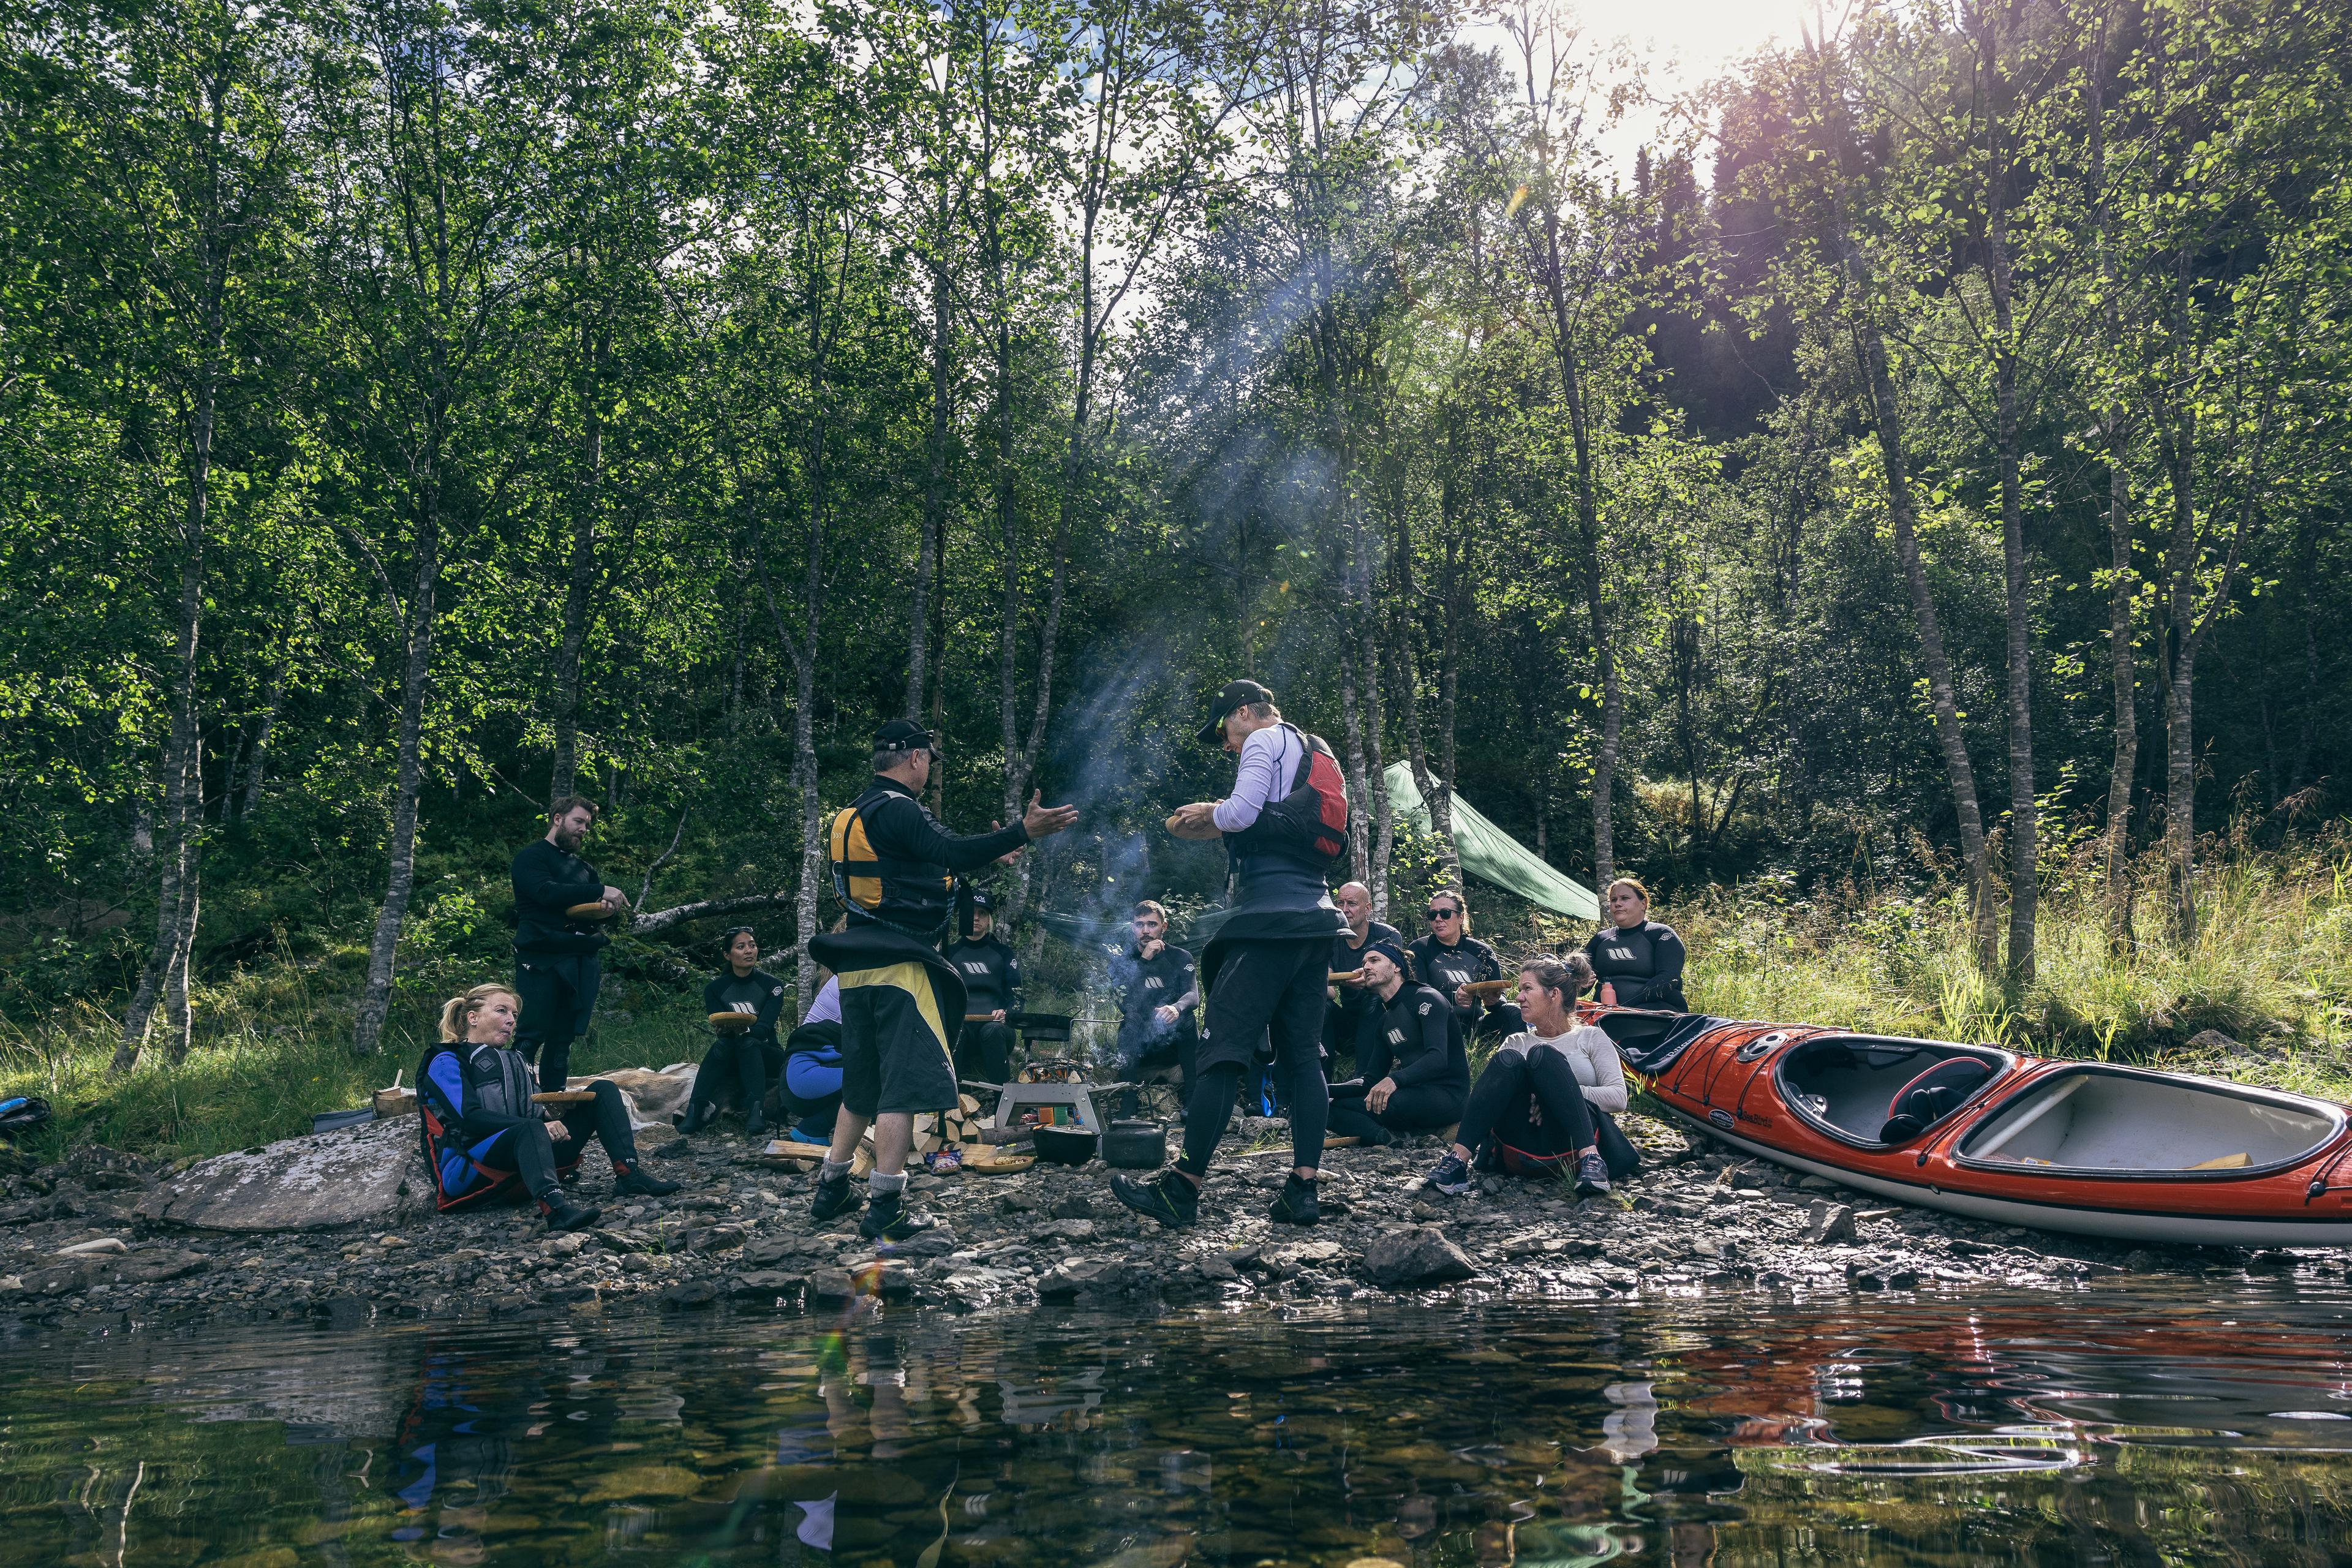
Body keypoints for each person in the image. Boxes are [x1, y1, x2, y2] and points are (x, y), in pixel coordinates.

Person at [807, 720, 1077, 1241]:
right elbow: (949, 850)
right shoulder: (900, 808)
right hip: (900, 971)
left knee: (860, 1087)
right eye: (929, 758)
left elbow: (924, 865)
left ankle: (831, 1187)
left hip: (855, 970)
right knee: (898, 1091)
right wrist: (1022, 831)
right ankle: (886, 1204)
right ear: (914, 759)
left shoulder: (852, 813)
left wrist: (993, 853)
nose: (929, 769)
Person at [1112, 679, 1349, 1229]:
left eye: (1224, 729)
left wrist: (1207, 810)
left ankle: (1183, 1189)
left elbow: (1241, 814)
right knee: (1304, 1057)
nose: (1225, 744)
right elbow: (1273, 823)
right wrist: (1212, 820)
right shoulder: (1315, 749)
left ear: (1246, 712)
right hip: (1316, 921)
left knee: (1222, 1051)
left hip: (1268, 922)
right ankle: (1302, 1191)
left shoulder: (1264, 739)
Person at [421, 982, 677, 1232]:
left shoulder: (516, 1059)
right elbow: (469, 1119)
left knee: (603, 1090)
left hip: (529, 1153)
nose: (511, 1020)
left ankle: (630, 1175)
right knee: (532, 1129)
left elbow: (534, 1111)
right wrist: (537, 1126)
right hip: (473, 1169)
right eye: (502, 1011)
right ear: (473, 1017)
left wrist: (552, 1113)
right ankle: (556, 1211)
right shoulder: (446, 1060)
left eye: (514, 1014)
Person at [1422, 954, 1634, 1199]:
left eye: (1527, 989)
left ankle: (1592, 1161)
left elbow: (1618, 1097)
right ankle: (1457, 1162)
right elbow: (1491, 1096)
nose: (1518, 997)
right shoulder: (1517, 1041)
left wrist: (1556, 1095)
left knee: (1544, 1055)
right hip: (1521, 1139)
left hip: (1570, 1139)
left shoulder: (1591, 1038)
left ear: (1554, 994)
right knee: (1508, 1059)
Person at [511, 795, 627, 1095]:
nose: (584, 829)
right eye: (579, 821)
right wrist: (601, 889)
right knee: (531, 1033)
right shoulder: (531, 858)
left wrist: (608, 911)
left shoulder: (585, 869)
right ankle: (515, 1098)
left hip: (580, 957)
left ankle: (555, 1099)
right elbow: (546, 893)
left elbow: (593, 915)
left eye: (588, 825)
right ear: (558, 819)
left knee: (563, 1038)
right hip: (541, 956)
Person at [1325, 940, 1468, 1147]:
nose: (1366, 967)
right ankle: (1385, 1139)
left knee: (1389, 1104)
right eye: (1364, 962)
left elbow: (1437, 1059)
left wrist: (1395, 1080)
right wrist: (1323, 1089)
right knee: (1331, 1106)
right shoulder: (1385, 1021)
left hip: (1448, 1095)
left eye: (1374, 960)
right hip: (1411, 1093)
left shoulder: (1427, 998)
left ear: (1396, 967)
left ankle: (1401, 1132)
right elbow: (1370, 1080)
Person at [679, 927, 787, 1139]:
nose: (749, 951)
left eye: (752, 945)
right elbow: (722, 1031)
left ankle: (757, 1112)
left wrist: (744, 1030)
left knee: (748, 1043)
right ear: (727, 955)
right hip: (733, 1053)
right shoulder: (715, 990)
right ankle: (695, 1110)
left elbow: (763, 1029)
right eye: (741, 947)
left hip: (768, 1053)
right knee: (723, 1045)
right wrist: (726, 1032)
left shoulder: (773, 986)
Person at [1108, 900, 1199, 1110]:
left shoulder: (1180, 957)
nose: (1146, 931)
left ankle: (1193, 1101)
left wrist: (1176, 1008)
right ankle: (1129, 1100)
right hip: (1141, 1045)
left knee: (1186, 1020)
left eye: (1152, 924)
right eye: (1140, 925)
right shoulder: (1125, 959)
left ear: (1164, 926)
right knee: (1130, 1020)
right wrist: (1144, 961)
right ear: (1133, 928)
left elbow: (1193, 995)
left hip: (1172, 1043)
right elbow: (1126, 1002)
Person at [1408, 888, 1524, 1045]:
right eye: (1432, 915)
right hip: (1437, 1024)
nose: (1438, 919)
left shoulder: (1482, 951)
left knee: (1512, 1012)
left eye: (1445, 914)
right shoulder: (1419, 949)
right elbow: (1416, 995)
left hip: (1476, 1026)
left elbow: (1499, 996)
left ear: (1461, 917)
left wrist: (1494, 1000)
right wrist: (1454, 997)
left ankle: (1520, 1059)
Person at [941, 891, 1020, 1083]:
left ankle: (1002, 1105)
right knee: (955, 1032)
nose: (976, 918)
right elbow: (940, 995)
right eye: (971, 912)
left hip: (997, 1030)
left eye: (982, 913)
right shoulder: (948, 953)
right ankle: (951, 1106)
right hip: (961, 1029)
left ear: (989, 919)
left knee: (991, 1032)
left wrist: (1006, 1014)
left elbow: (1017, 998)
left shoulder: (1003, 954)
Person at [1325, 880, 1402, 1074]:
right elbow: (1330, 992)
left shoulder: (1386, 936)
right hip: (1349, 1025)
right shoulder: (1331, 939)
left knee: (1374, 999)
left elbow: (1396, 985)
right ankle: (1320, 1079)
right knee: (1322, 1005)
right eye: (1340, 903)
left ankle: (1364, 1077)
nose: (1345, 909)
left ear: (1367, 908)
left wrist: (1369, 982)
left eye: (1351, 904)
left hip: (1384, 1023)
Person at [1585, 876, 1688, 1011]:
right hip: (1605, 1015)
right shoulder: (1600, 939)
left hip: (1657, 1013)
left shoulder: (1661, 934)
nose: (1618, 904)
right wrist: (1582, 983)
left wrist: (1625, 1007)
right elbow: (1580, 986)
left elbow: (1667, 980)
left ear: (1643, 904)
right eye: (1613, 900)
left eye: (1625, 898)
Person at [774, 976, 844, 1145]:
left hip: (801, 1081)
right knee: (880, 1072)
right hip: (802, 1080)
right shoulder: (853, 979)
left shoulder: (850, 971)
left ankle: (813, 1129)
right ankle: (814, 1129)